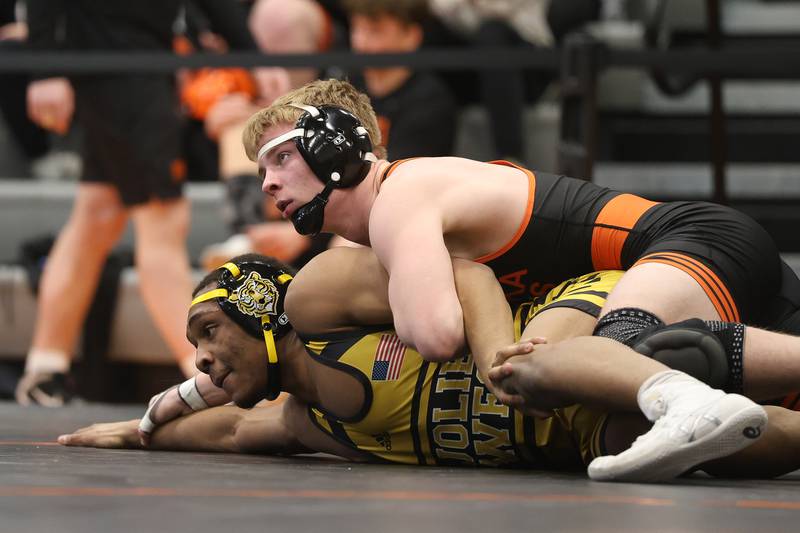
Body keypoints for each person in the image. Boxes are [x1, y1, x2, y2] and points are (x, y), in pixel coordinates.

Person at [240, 77, 800, 406]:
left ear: (334, 145)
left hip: (690, 241)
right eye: (262, 169)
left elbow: (434, 335)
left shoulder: (401, 197)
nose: (267, 182)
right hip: (695, 265)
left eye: (281, 156)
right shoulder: (403, 211)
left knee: (624, 353)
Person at [58, 249, 800, 482]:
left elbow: (465, 272)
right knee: (669, 445)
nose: (203, 356)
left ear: (258, 310)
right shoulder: (301, 420)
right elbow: (220, 432)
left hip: (560, 329)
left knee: (547, 370)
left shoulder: (319, 300)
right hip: (570, 434)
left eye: (211, 330)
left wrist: (493, 355)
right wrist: (137, 427)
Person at [15, 0, 259, 405]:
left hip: (141, 60)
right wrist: (46, 68)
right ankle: (210, 379)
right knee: (163, 222)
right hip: (121, 69)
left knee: (97, 217)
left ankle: (44, 371)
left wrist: (252, 54)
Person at [343, 0, 457, 160]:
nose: (361, 42)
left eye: (375, 31)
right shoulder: (344, 84)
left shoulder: (430, 100)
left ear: (412, 36)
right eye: (357, 28)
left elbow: (406, 175)